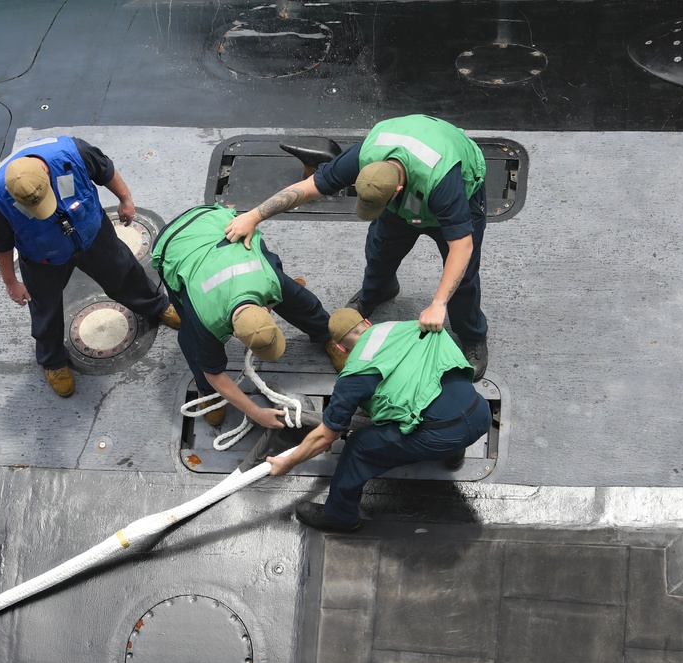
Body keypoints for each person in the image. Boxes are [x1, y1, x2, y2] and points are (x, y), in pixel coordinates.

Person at [225, 114, 490, 380]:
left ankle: (472, 335)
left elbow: (462, 246)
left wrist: (438, 304)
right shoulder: (367, 154)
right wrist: (254, 215)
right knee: (380, 249)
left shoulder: (443, 182)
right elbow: (310, 187)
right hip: (402, 202)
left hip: (455, 193)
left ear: (397, 190)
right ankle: (379, 291)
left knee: (462, 278)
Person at [0, 136, 180, 398]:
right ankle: (53, 361)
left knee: (123, 270)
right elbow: (1, 242)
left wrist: (125, 199)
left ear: (46, 172)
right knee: (45, 307)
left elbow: (105, 170)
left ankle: (156, 305)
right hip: (43, 256)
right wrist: (10, 282)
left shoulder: (73, 153)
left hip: (91, 232)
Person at [267, 308, 491, 532]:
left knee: (358, 447)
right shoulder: (413, 325)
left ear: (341, 348)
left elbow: (325, 437)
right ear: (367, 322)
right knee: (441, 401)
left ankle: (340, 515)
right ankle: (454, 456)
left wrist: (289, 462)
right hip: (480, 413)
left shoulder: (354, 375)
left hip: (439, 436)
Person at [151, 204, 348, 428]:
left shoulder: (269, 277)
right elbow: (215, 374)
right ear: (233, 333)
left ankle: (326, 335)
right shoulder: (206, 320)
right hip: (174, 244)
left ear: (265, 309)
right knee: (192, 338)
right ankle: (207, 393)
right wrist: (256, 413)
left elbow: (300, 300)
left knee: (296, 299)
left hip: (214, 222)